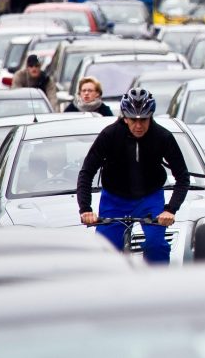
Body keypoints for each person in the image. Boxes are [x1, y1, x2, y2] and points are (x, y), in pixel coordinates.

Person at [76, 88, 190, 264]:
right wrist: (85, 208)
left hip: (149, 199)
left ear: (151, 116)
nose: (138, 126)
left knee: (156, 245)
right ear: (124, 117)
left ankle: (157, 286)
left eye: (143, 120)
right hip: (114, 200)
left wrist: (170, 209)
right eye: (133, 120)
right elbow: (86, 173)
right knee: (106, 250)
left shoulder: (163, 137)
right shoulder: (109, 135)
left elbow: (182, 177)